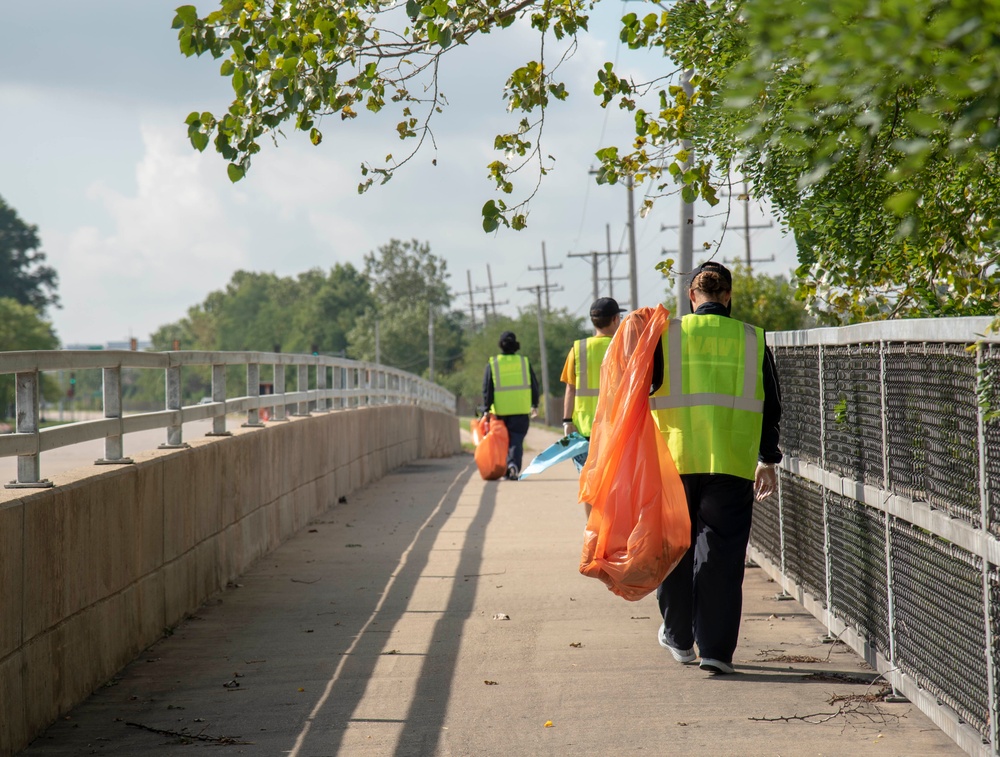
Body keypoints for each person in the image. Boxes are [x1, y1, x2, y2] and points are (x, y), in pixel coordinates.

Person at [650, 261, 781, 675]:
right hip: (730, 461)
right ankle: (716, 651)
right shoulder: (751, 339)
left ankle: (677, 636)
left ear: (692, 296)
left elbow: (637, 395)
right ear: (728, 296)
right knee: (722, 554)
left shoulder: (666, 336)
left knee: (674, 547)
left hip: (674, 460)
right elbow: (771, 407)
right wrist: (767, 459)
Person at [561, 297, 626, 482]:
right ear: (615, 319)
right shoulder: (623, 347)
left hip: (584, 429)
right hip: (615, 428)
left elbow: (570, 389)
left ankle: (593, 513)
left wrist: (567, 421)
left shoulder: (578, 349)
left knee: (590, 483)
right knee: (613, 483)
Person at [481, 330, 540, 481]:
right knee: (516, 440)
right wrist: (535, 403)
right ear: (516, 345)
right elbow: (534, 385)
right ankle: (513, 465)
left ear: (501, 345)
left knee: (502, 441)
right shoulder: (524, 362)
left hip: (500, 411)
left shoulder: (493, 363)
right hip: (520, 409)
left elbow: (488, 388)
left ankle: (504, 467)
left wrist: (486, 409)